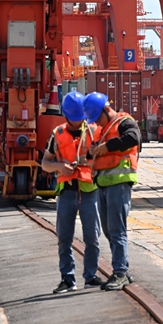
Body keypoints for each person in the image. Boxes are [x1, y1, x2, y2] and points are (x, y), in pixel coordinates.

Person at [40, 91, 102, 294]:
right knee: (64, 238)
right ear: (65, 116)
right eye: (74, 120)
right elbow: (45, 163)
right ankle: (67, 279)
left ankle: (91, 276)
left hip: (89, 190)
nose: (77, 123)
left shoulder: (94, 132)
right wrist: (59, 167)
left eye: (80, 119)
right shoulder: (57, 133)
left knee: (92, 237)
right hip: (66, 193)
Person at [84, 91, 141, 291]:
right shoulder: (102, 129)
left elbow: (133, 138)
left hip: (119, 183)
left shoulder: (124, 122)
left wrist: (107, 147)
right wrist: (92, 151)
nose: (97, 123)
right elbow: (93, 151)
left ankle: (120, 273)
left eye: (97, 118)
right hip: (104, 184)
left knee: (117, 230)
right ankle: (122, 268)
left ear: (106, 110)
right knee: (109, 230)